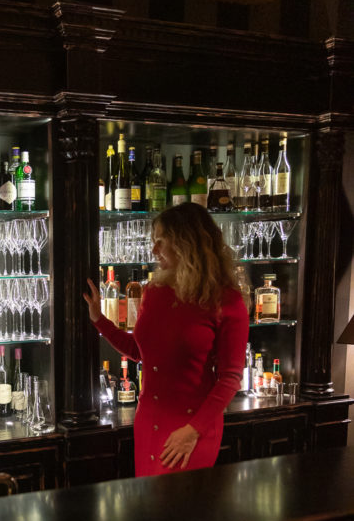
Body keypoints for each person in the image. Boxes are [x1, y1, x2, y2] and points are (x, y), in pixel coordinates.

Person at [84, 202, 249, 476]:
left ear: (186, 243)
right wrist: (99, 320)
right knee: (151, 512)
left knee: (180, 511)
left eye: (161, 241)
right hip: (149, 420)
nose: (154, 251)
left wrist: (193, 431)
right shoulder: (154, 292)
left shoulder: (226, 300)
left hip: (192, 428)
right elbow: (139, 351)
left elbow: (231, 377)